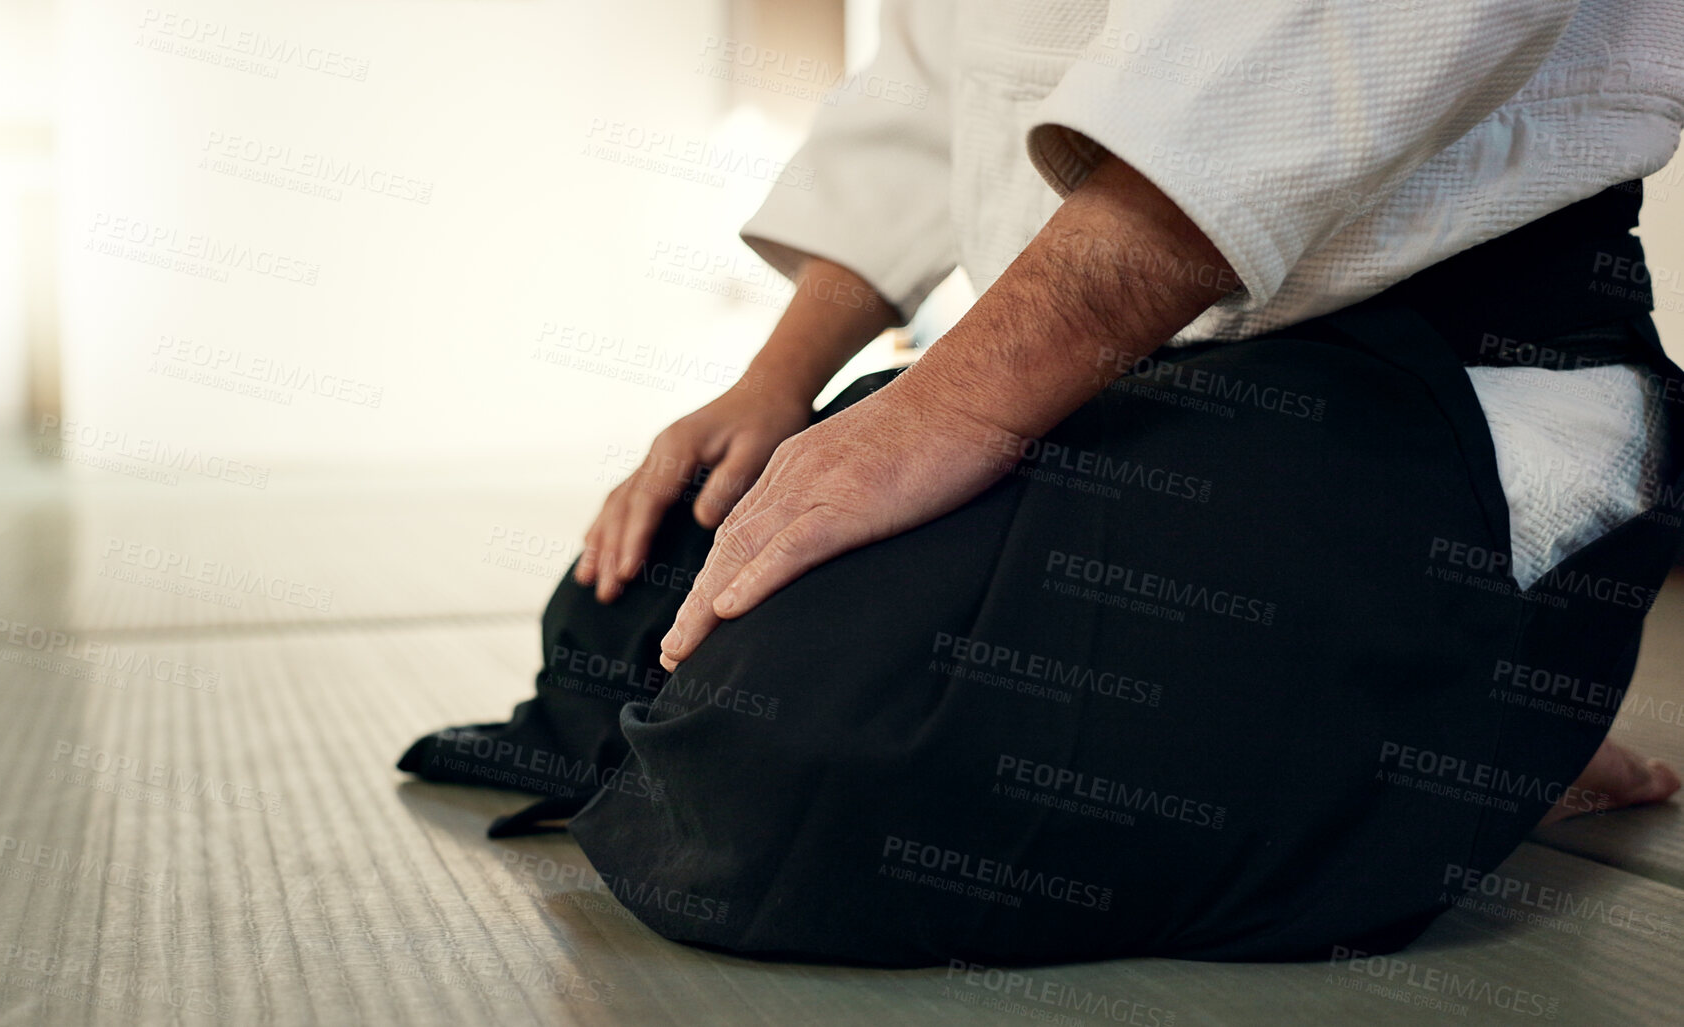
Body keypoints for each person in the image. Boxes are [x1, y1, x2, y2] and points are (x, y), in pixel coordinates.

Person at [402, 0, 1684, 966]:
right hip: (1112, 373)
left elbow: (1324, 45)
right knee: (623, 623)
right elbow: (947, 61)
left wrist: (961, 399)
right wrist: (777, 385)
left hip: (1444, 382)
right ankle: (1380, 726)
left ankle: (1476, 715)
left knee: (814, 739)